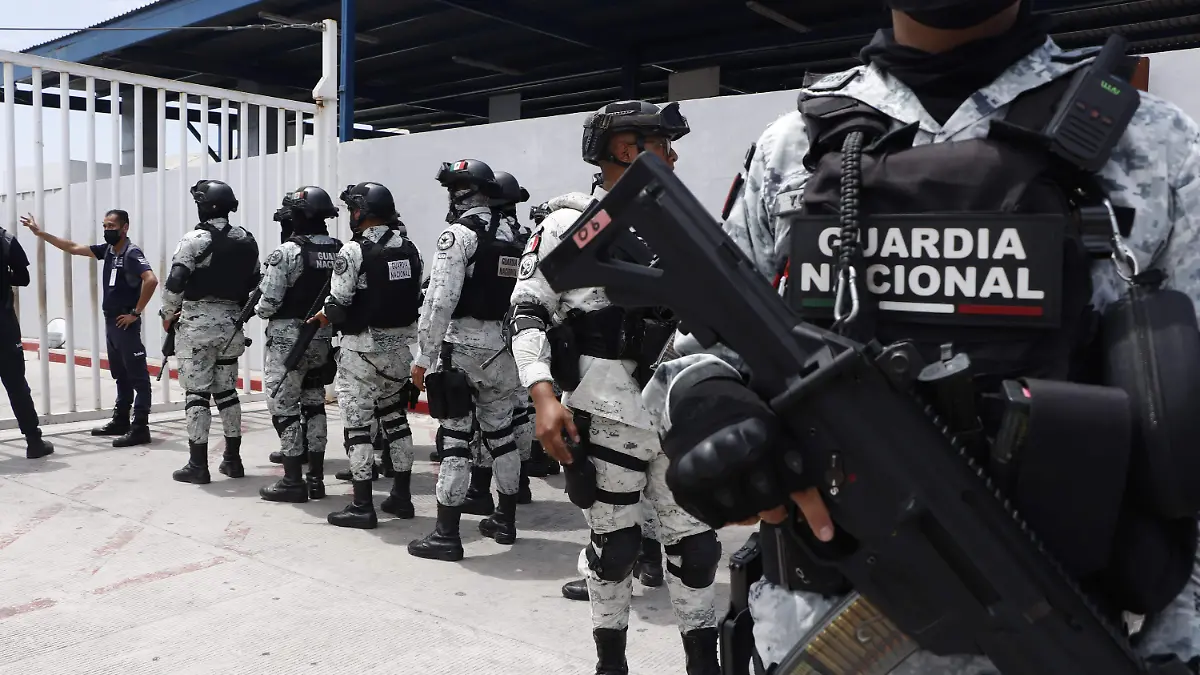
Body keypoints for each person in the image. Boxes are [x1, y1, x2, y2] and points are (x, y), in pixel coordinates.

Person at [649, 2, 1200, 673]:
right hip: (825, 636)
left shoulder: (1155, 144)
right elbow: (691, 360)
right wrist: (713, 408)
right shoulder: (792, 149)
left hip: (1082, 633)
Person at [509, 100, 720, 675]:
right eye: (661, 144)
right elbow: (527, 311)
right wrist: (542, 394)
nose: (674, 155)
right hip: (606, 419)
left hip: (678, 417)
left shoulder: (687, 223)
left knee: (696, 552)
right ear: (625, 149)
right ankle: (612, 664)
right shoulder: (566, 226)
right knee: (615, 549)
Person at [408, 159, 525, 561]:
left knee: (456, 439)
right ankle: (505, 520)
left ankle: (446, 535)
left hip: (462, 349)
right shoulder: (518, 235)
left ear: (460, 193)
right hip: (504, 349)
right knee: (502, 435)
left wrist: (423, 357)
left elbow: (439, 303)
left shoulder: (458, 236)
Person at [308, 182, 422, 529]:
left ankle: (361, 505)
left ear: (361, 211)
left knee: (358, 428)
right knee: (395, 421)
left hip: (362, 351)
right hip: (400, 350)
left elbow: (340, 304)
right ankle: (401, 497)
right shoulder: (410, 248)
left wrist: (323, 316)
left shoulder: (353, 251)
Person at [21, 209, 157, 447]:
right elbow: (73, 247)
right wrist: (40, 233)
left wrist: (135, 313)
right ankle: (121, 420)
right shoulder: (108, 251)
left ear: (125, 228)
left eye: (111, 226)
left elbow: (151, 280)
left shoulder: (131, 253)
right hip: (111, 322)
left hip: (125, 324)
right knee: (120, 375)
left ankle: (140, 427)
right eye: (104, 226)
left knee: (137, 377)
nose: (107, 230)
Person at [163, 180, 260, 485]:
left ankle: (198, 464)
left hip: (197, 328)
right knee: (227, 392)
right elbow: (256, 283)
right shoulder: (247, 239)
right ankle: (232, 460)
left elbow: (176, 280)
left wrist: (168, 315)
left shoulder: (195, 239)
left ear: (204, 205)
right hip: (231, 327)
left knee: (197, 394)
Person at [256, 187, 341, 504]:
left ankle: (292, 480)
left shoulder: (287, 252)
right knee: (314, 404)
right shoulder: (340, 249)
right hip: (322, 338)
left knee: (285, 409)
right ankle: (316, 480)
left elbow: (267, 304)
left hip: (287, 344)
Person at [0, 226, 52, 459]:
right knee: (16, 385)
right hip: (4, 328)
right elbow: (24, 278)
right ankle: (34, 441)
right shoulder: (5, 239)